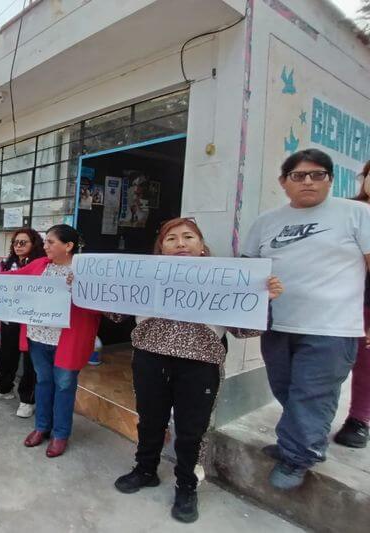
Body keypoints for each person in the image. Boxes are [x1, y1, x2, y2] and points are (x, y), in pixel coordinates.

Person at [112, 218, 283, 523]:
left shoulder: (225, 279)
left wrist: (262, 300)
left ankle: (187, 485)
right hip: (149, 360)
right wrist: (88, 286)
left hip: (200, 365)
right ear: (160, 249)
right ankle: (145, 469)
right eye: (171, 238)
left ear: (202, 248)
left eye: (188, 237)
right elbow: (115, 313)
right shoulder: (143, 277)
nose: (180, 243)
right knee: (150, 420)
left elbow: (243, 331)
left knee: (192, 430)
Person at [242, 148, 370, 490]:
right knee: (286, 389)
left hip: (332, 327)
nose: (308, 181)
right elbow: (247, 268)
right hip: (277, 324)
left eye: (318, 174)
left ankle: (300, 456)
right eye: (298, 175)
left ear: (330, 180)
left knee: (313, 394)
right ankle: (297, 441)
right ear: (284, 183)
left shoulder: (357, 214)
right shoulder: (265, 222)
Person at [8, 224, 100, 457]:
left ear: (68, 246)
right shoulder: (39, 265)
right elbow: (14, 281)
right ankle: (41, 427)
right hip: (38, 337)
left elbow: (98, 304)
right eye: (45, 241)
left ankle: (60, 434)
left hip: (67, 341)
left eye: (50, 242)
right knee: (43, 382)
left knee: (64, 386)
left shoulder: (85, 272)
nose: (45, 246)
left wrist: (80, 287)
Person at [0, 228, 43, 418]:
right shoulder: (6, 263)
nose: (18, 246)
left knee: (30, 361)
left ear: (34, 244)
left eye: (23, 242)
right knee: (7, 355)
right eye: (15, 243)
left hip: (32, 321)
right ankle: (4, 388)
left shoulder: (42, 264)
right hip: (10, 318)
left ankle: (28, 400)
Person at [333, 159, 370, 449]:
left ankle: (359, 419)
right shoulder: (343, 211)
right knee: (327, 359)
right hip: (336, 298)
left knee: (366, 360)